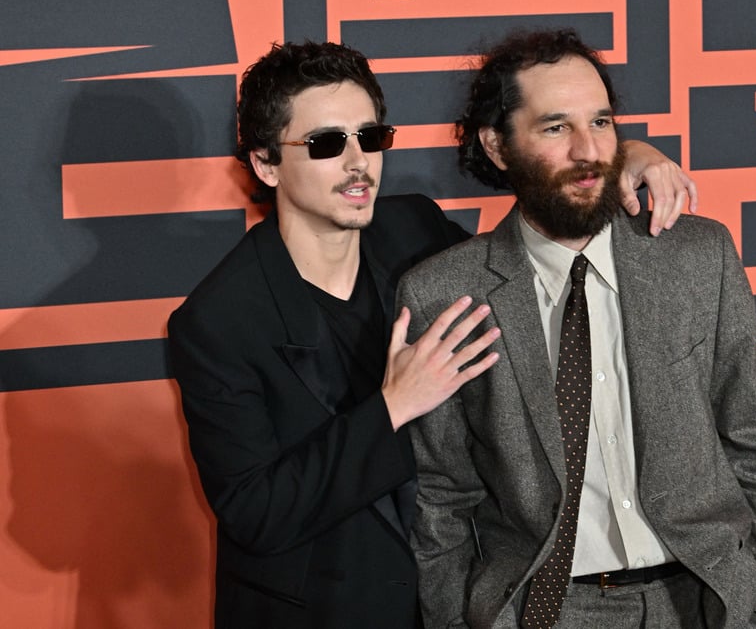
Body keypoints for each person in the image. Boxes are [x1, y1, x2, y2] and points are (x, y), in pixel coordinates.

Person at [167, 39, 697, 629]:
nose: (358, 163)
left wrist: (625, 157)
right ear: (266, 164)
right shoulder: (218, 321)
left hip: (447, 601)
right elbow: (257, 512)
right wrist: (393, 406)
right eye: (326, 143)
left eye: (370, 137)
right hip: (324, 611)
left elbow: (534, 238)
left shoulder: (414, 231)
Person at [399, 29, 756, 629]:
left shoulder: (698, 257)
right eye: (555, 127)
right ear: (498, 145)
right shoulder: (444, 292)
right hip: (545, 608)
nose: (588, 150)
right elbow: (442, 495)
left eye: (601, 122)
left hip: (705, 598)